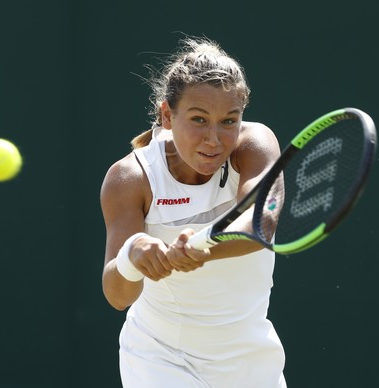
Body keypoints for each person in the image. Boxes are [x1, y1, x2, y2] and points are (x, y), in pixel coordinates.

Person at [100, 36, 286, 387]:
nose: (214, 140)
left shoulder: (255, 145)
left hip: (251, 363)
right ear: (167, 115)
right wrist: (133, 256)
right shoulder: (131, 177)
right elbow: (117, 295)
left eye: (229, 121)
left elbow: (260, 223)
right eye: (199, 119)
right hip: (160, 359)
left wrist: (201, 249)